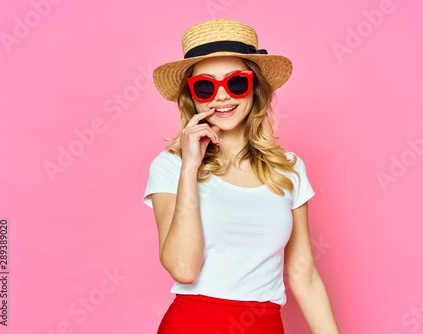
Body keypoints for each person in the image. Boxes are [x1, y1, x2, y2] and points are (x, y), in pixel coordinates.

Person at [143, 19, 340, 334]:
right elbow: (183, 268)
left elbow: (304, 275)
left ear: (255, 89)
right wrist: (190, 167)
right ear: (190, 97)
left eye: (236, 83)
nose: (221, 96)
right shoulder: (169, 167)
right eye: (205, 86)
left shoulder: (289, 168)